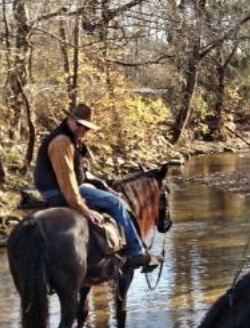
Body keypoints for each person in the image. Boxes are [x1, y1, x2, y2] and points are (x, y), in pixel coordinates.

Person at [33, 104, 159, 270]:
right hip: (59, 191)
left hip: (69, 186)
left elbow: (82, 173)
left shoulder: (72, 139)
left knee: (112, 197)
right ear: (70, 120)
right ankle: (135, 251)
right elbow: (67, 181)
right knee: (116, 203)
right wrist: (83, 209)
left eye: (86, 128)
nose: (82, 130)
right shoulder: (61, 142)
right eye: (79, 125)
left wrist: (105, 186)